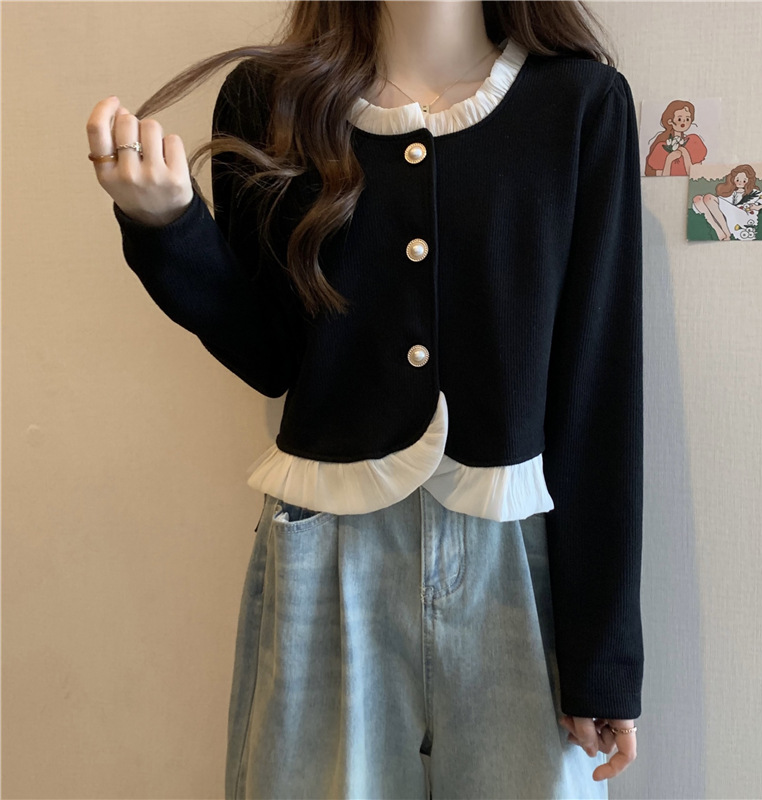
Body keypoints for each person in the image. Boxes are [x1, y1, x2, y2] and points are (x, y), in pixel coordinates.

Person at [85, 2, 644, 798]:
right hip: (326, 553)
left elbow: (599, 390)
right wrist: (169, 227)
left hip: (516, 567)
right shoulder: (269, 101)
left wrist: (603, 658)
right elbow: (271, 357)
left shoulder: (580, 104)